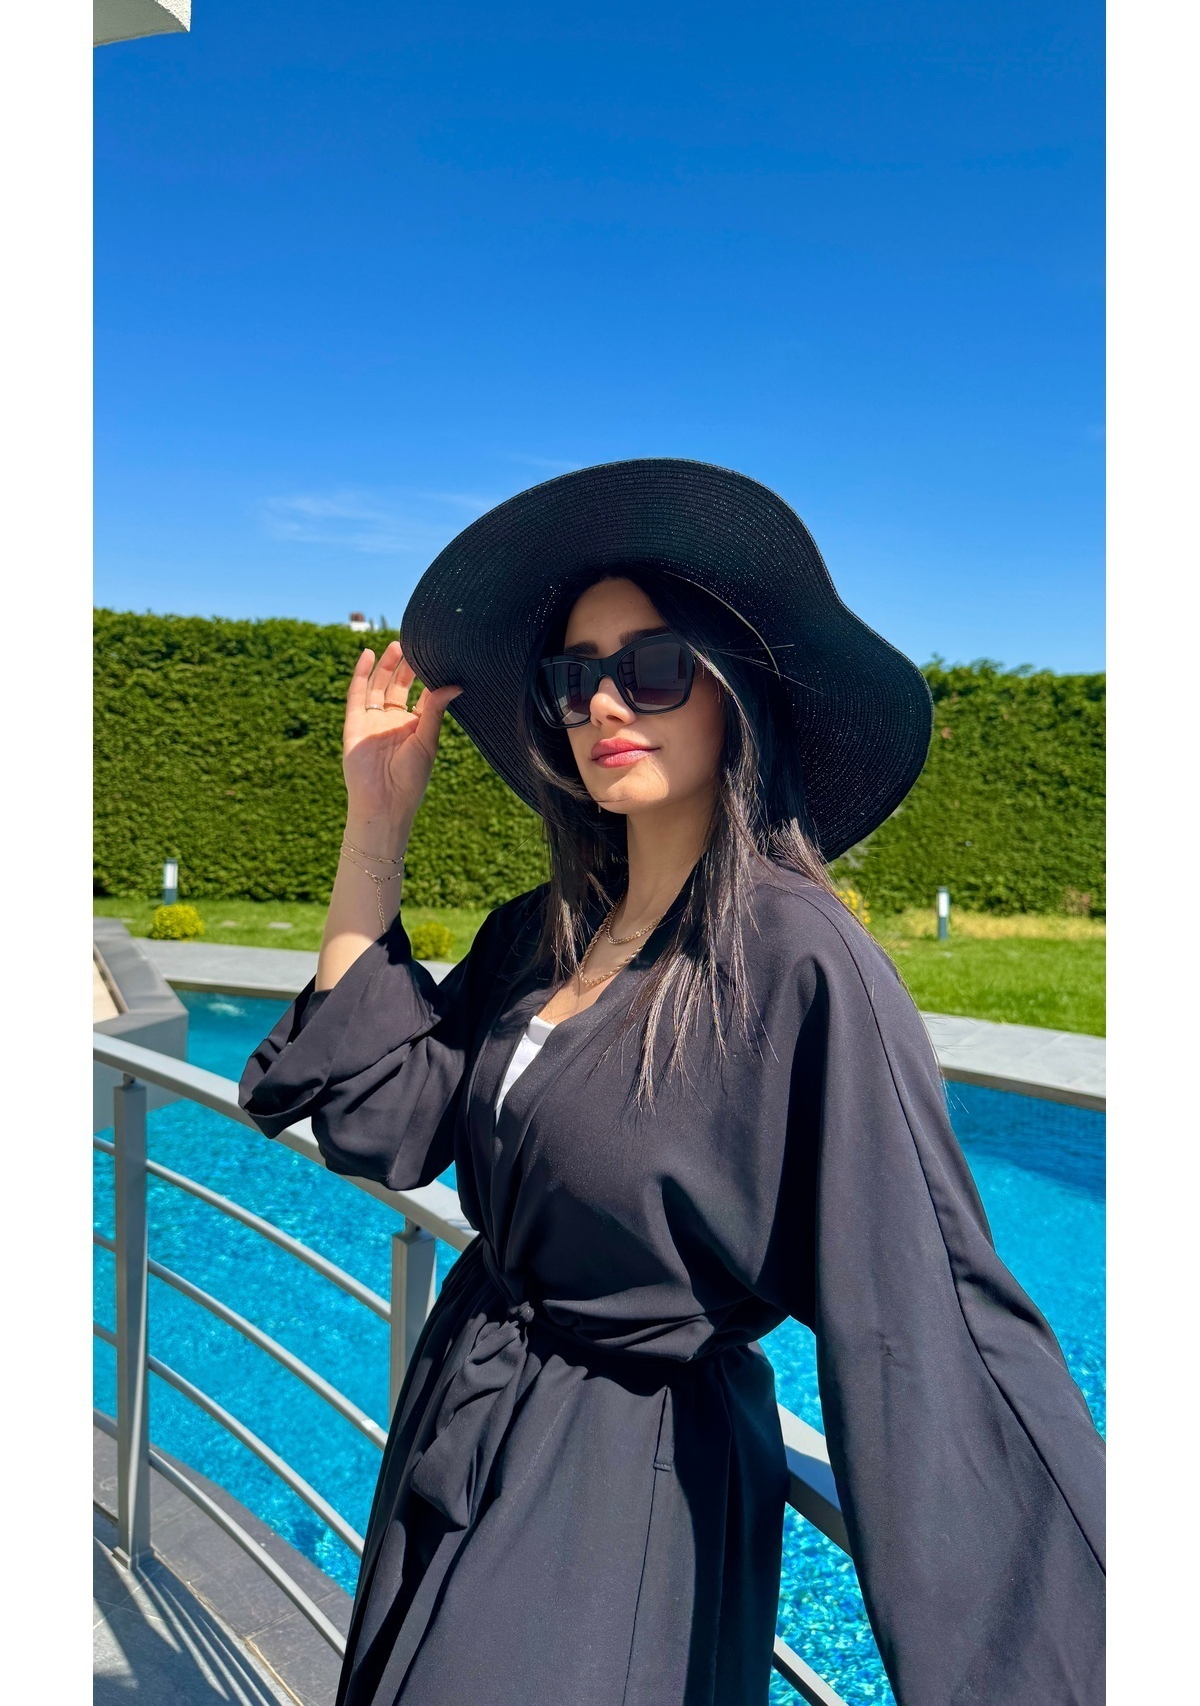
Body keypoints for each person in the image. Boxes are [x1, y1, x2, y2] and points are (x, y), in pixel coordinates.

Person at [240, 459, 1104, 1706]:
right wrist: (376, 820)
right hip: (464, 1417)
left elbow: (926, 1317)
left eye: (651, 665)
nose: (603, 701)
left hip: (621, 1495)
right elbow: (379, 1118)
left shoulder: (797, 962)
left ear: (734, 686)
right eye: (572, 676)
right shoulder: (541, 931)